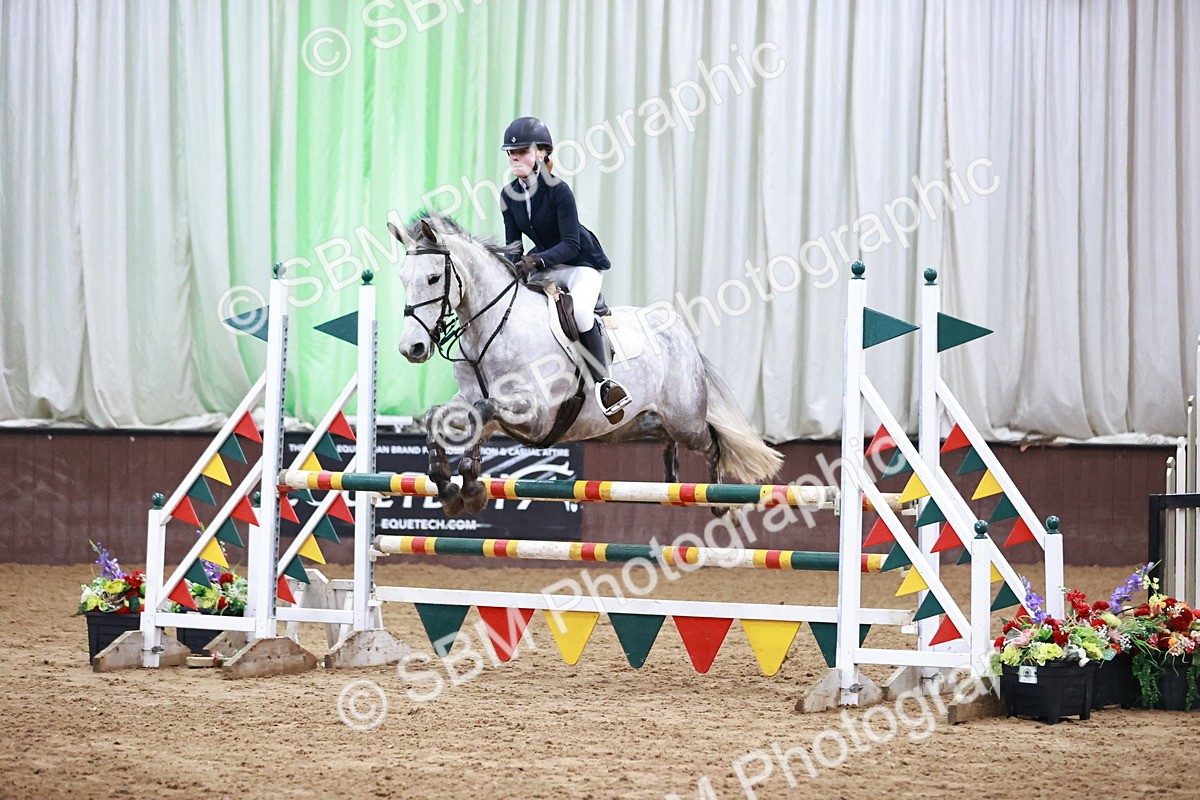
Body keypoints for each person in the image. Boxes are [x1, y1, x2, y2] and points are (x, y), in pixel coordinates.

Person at [498, 116, 631, 422]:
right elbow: (513, 245)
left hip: (579, 264)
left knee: (582, 314)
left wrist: (537, 261)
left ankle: (605, 384)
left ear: (541, 155)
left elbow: (571, 244)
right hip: (544, 265)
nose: (514, 157)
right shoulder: (508, 195)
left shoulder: (559, 191)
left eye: (523, 151)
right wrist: (508, 267)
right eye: (510, 153)